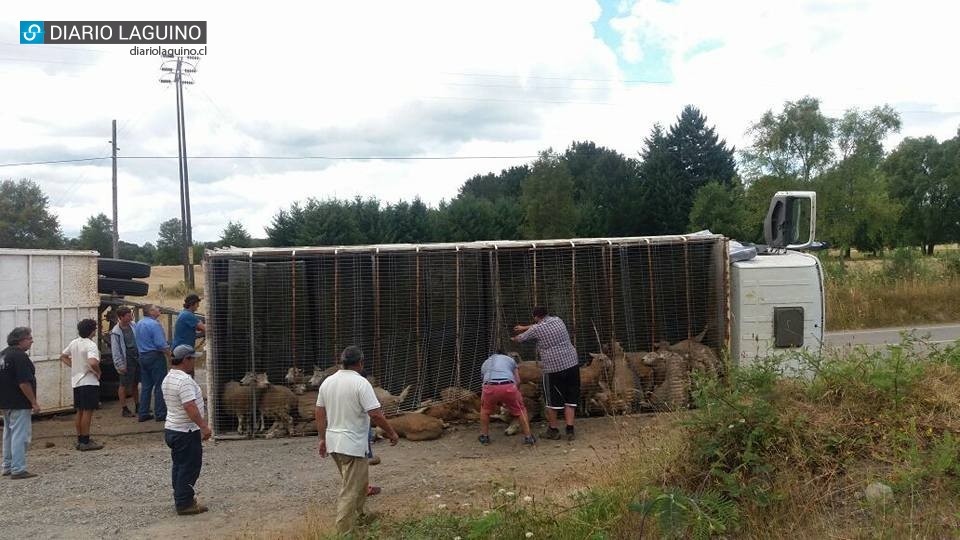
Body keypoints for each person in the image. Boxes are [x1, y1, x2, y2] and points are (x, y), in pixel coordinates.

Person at [316, 346, 399, 536]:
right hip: (352, 445)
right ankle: (343, 532)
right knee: (350, 491)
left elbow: (319, 412)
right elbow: (376, 414)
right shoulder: (361, 383)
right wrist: (392, 433)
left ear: (342, 361)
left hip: (334, 443)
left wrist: (322, 439)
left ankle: (362, 517)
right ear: (361, 363)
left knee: (359, 484)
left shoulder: (328, 382)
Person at [512, 306, 581, 441]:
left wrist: (514, 338)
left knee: (552, 401)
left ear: (536, 317)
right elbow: (540, 325)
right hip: (572, 363)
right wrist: (525, 327)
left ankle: (553, 430)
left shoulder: (536, 329)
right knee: (570, 399)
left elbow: (521, 338)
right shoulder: (558, 320)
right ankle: (570, 429)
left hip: (553, 368)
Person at [161, 345, 211, 515]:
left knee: (179, 465)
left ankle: (181, 496)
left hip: (172, 429)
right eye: (192, 358)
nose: (194, 362)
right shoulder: (184, 381)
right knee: (189, 466)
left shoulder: (168, 378)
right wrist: (203, 426)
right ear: (185, 360)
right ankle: (184, 503)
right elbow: (189, 406)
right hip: (185, 431)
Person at [1, 327, 40, 479]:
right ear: (21, 340)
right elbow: (24, 382)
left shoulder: (3, 354)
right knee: (20, 435)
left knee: (8, 434)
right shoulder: (20, 357)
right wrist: (33, 402)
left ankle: (8, 465)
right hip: (19, 401)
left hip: (5, 401)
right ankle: (18, 468)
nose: (31, 341)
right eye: (29, 338)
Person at [60, 319, 105, 451]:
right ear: (92, 331)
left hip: (77, 380)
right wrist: (98, 372)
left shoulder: (74, 342)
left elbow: (63, 356)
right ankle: (85, 440)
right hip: (88, 380)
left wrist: (74, 366)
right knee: (88, 411)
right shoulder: (90, 345)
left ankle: (80, 439)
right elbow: (92, 362)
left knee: (79, 411)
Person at [478, 350, 535, 446]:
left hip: (489, 386)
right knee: (520, 410)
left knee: (485, 411)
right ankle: (528, 437)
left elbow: (483, 380)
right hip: (507, 385)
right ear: (504, 354)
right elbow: (518, 380)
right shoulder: (510, 360)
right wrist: (514, 394)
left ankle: (484, 436)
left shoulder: (486, 362)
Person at [134, 304, 170, 422]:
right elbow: (160, 344)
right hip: (155, 356)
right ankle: (160, 413)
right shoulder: (154, 324)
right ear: (150, 311)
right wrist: (169, 354)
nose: (159, 309)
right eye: (156, 308)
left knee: (146, 385)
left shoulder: (139, 324)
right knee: (160, 385)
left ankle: (143, 412)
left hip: (143, 356)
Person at [109, 306, 140, 418]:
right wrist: (120, 364)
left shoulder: (133, 326)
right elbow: (116, 350)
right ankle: (124, 408)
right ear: (121, 317)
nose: (131, 317)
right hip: (126, 359)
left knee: (135, 382)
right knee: (123, 384)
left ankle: (138, 405)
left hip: (136, 357)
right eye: (128, 315)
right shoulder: (116, 332)